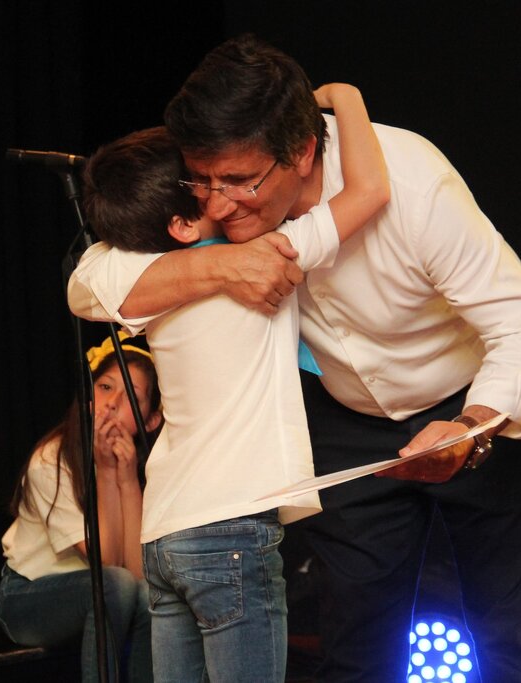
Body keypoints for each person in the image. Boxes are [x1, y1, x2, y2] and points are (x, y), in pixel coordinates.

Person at [68, 33, 521, 682]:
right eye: (203, 181)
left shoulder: (408, 181)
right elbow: (90, 281)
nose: (214, 204)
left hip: (474, 406)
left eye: (239, 182)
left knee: (516, 640)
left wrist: (473, 423)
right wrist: (224, 261)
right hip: (344, 425)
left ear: (301, 153)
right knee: (355, 652)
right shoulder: (221, 210)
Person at [77, 81, 387, 682]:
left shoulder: (146, 289)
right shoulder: (270, 254)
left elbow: (91, 273)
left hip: (163, 533)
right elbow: (371, 189)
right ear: (183, 224)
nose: (222, 199)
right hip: (231, 530)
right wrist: (343, 97)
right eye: (204, 187)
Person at [0, 334, 161, 682]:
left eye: (131, 396)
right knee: (113, 585)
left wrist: (127, 480)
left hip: (108, 592)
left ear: (151, 420)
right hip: (30, 595)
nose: (112, 403)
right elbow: (107, 564)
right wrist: (105, 475)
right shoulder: (51, 460)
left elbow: (137, 573)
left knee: (151, 594)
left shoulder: (152, 467)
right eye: (104, 387)